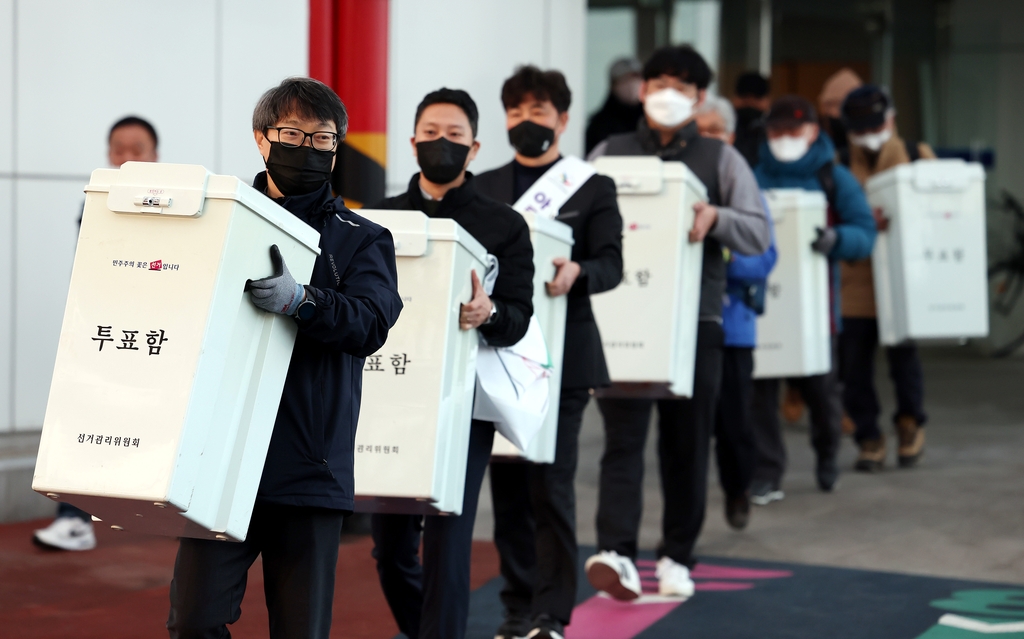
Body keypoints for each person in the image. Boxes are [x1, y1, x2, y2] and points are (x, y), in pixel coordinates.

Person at [166, 77, 403, 639]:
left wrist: (305, 301)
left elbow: (371, 321)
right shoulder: (220, 220)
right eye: (293, 133)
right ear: (261, 138)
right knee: (193, 622)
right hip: (220, 459)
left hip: (308, 467)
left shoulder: (362, 238)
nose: (309, 148)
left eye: (323, 138)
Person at [583, 45, 771, 601]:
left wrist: (716, 217)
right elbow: (575, 216)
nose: (667, 93)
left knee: (687, 443)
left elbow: (758, 230)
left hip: (696, 321)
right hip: (622, 320)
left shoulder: (721, 158)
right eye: (658, 82)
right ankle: (616, 552)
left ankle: (676, 555)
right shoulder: (608, 152)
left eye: (682, 86)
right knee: (622, 439)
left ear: (700, 97)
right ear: (642, 90)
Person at [369, 88, 534, 639]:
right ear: (413, 141)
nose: (443, 143)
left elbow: (519, 317)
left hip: (465, 402)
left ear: (475, 147)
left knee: (448, 540)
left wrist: (488, 312)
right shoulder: (378, 219)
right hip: (390, 401)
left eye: (455, 135)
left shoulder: (504, 225)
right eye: (432, 133)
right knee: (390, 550)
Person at [474, 66, 623, 639]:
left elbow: (612, 264)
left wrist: (581, 270)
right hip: (498, 355)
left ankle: (551, 613)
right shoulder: (482, 186)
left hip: (563, 359)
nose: (525, 122)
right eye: (515, 113)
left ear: (562, 119)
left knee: (550, 485)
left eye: (538, 112)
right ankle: (516, 607)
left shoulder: (591, 187)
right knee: (507, 489)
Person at [32, 115, 161, 552]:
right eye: (118, 149)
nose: (126, 157)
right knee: (82, 420)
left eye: (136, 149)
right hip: (105, 333)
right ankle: (74, 519)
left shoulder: (175, 200)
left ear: (155, 154)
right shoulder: (96, 197)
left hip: (158, 334)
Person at [747, 95, 876, 506]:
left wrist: (836, 240)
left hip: (819, 313)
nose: (784, 139)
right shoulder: (751, 177)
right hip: (763, 307)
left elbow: (865, 233)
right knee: (760, 397)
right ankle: (767, 473)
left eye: (793, 131)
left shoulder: (834, 178)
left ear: (813, 132)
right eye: (776, 131)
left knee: (823, 394)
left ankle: (827, 456)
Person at [838, 85, 933, 472]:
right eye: (860, 127)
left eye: (874, 125)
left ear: (890, 120)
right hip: (855, 283)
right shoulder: (841, 161)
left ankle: (910, 424)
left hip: (902, 280)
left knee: (904, 362)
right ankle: (868, 437)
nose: (869, 133)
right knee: (854, 367)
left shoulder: (915, 155)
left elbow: (938, 213)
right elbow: (831, 214)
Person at [696, 95, 779, 528]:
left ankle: (738, 490)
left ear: (729, 136)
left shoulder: (743, 185)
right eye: (700, 130)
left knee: (734, 423)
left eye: (715, 131)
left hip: (733, 329)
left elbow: (764, 255)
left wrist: (720, 257)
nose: (707, 140)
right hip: (687, 328)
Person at [585, 57, 644, 154]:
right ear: (613, 85)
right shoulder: (599, 125)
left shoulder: (650, 120)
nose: (632, 84)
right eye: (625, 79)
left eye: (636, 78)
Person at [731, 72, 771, 168]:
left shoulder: (774, 130)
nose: (750, 102)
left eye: (757, 97)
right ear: (734, 98)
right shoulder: (725, 127)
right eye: (744, 97)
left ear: (768, 100)